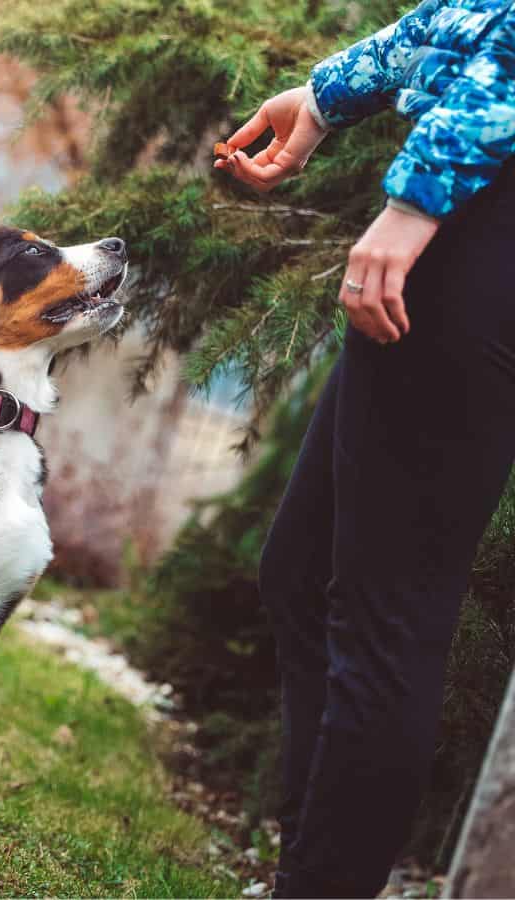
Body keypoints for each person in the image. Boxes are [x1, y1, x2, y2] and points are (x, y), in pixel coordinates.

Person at [215, 1, 515, 896]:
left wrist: (417, 200)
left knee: (389, 618)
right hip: (475, 207)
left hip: (484, 221)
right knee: (303, 574)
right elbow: (479, 12)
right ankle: (310, 869)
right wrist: (323, 96)